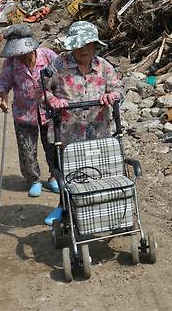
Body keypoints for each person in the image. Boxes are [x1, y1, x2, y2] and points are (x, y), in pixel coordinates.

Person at [41, 20, 124, 225]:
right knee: (69, 175)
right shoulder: (58, 64)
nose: (83, 49)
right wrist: (53, 101)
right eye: (78, 45)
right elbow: (41, 91)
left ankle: (99, 210)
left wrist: (111, 96)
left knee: (98, 172)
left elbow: (119, 88)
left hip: (98, 130)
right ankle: (64, 208)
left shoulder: (104, 67)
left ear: (95, 45)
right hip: (67, 132)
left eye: (87, 44)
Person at [0, 25, 58, 197]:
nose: (21, 55)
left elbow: (62, 75)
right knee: (27, 149)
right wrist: (3, 98)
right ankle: (34, 180)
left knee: (53, 145)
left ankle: (54, 176)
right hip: (24, 112)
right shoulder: (11, 62)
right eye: (17, 52)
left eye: (24, 52)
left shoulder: (48, 56)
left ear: (31, 46)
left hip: (49, 111)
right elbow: (3, 83)